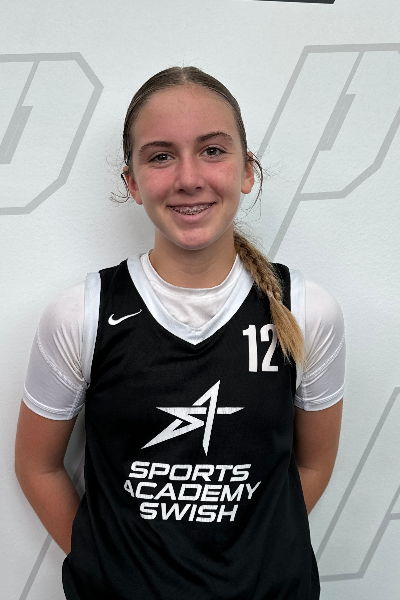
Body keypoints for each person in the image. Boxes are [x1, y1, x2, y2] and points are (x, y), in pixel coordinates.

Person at [15, 66, 345, 599]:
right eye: (161, 156)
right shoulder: (82, 313)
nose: (189, 178)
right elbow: (36, 466)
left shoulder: (306, 310)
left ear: (247, 170)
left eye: (212, 150)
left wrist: (249, 558)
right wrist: (109, 568)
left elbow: (313, 463)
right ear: (132, 181)